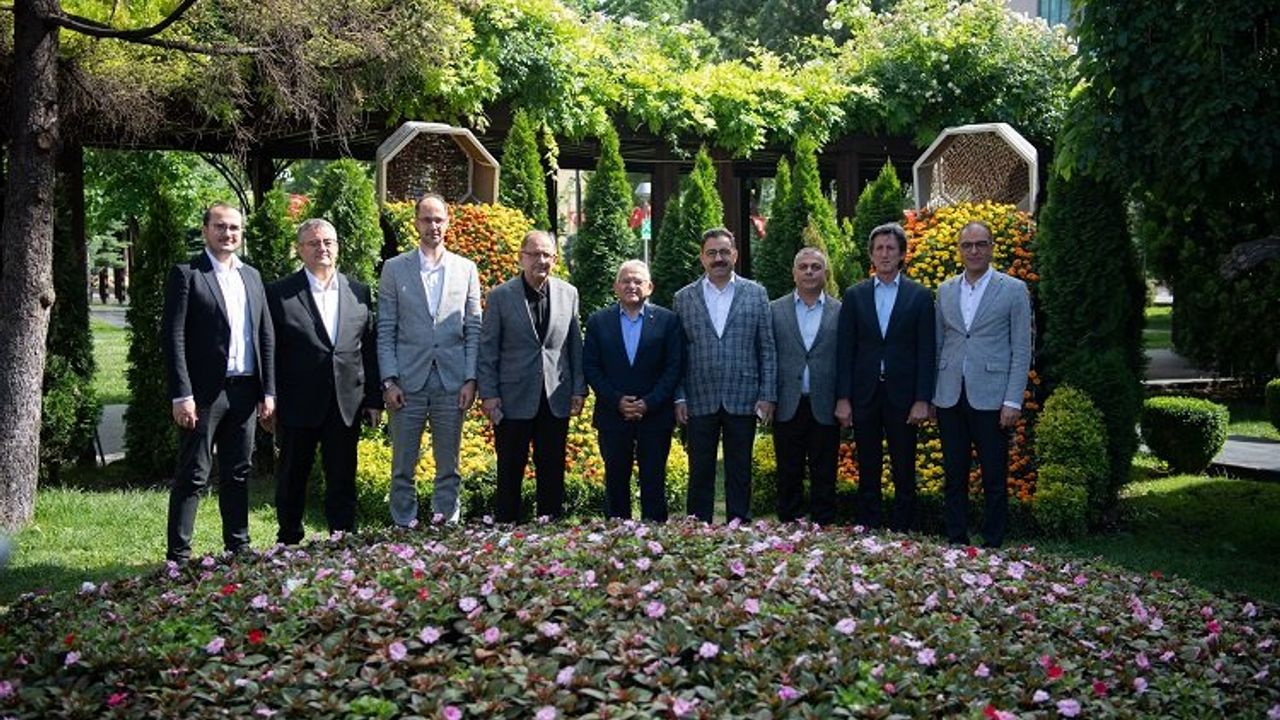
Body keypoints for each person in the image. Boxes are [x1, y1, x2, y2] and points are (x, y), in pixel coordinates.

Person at [163, 203, 275, 562]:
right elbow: (173, 337)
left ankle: (238, 548)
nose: (228, 234)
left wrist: (268, 391)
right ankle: (178, 556)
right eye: (220, 226)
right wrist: (182, 394)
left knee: (238, 472)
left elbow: (265, 335)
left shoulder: (252, 277)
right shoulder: (187, 274)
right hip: (203, 394)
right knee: (194, 475)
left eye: (234, 228)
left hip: (245, 390)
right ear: (205, 230)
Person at [266, 218, 381, 544]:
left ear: (337, 247)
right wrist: (269, 396)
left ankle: (342, 540)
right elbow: (269, 348)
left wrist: (374, 399)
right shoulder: (279, 293)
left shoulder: (358, 291)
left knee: (342, 477)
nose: (322, 249)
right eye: (314, 243)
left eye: (328, 242)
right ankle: (289, 540)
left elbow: (368, 347)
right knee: (292, 477)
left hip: (346, 403)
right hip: (297, 402)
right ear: (300, 249)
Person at [378, 193, 482, 526]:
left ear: (448, 223)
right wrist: (389, 381)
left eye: (439, 219)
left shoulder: (466, 269)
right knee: (403, 465)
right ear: (416, 223)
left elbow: (474, 329)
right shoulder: (394, 269)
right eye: (426, 219)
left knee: (448, 465)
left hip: (452, 381)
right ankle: (403, 526)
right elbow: (385, 329)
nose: (433, 225)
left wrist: (470, 379)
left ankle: (445, 526)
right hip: (406, 381)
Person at [933, 220, 1032, 548]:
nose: (973, 251)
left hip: (992, 396)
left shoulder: (1013, 290)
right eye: (967, 245)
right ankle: (956, 539)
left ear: (991, 248)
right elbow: (938, 344)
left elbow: (1021, 348)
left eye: (980, 244)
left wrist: (1013, 400)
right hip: (950, 395)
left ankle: (992, 541)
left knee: (994, 476)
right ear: (959, 250)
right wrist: (932, 395)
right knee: (954, 474)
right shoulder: (946, 290)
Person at [477, 230, 586, 522]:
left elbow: (574, 345)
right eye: (534, 254)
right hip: (512, 398)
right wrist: (488, 394)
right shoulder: (500, 296)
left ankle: (549, 529)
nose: (541, 260)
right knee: (510, 468)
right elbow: (487, 349)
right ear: (521, 258)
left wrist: (578, 389)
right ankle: (506, 528)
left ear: (555, 259)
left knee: (552, 467)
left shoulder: (569, 293)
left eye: (547, 255)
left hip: (555, 396)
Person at [835, 223, 936, 532]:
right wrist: (843, 397)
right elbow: (845, 350)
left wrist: (922, 399)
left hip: (903, 397)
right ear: (871, 255)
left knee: (904, 466)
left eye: (891, 248)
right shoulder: (855, 295)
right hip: (864, 394)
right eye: (879, 248)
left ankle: (903, 529)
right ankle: (868, 526)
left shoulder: (920, 296)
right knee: (868, 465)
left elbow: (927, 351)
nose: (885, 254)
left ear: (902, 254)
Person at [673, 227, 777, 523]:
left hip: (743, 395)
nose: (718, 258)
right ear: (702, 258)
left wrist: (768, 395)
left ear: (735, 255)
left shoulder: (756, 294)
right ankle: (697, 527)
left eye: (723, 252)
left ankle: (739, 526)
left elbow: (767, 348)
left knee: (740, 469)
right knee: (700, 469)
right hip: (699, 396)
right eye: (712, 253)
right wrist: (679, 396)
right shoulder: (684, 298)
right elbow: (676, 354)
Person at [583, 260, 684, 521]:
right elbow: (591, 367)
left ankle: (654, 532)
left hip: (655, 415)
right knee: (615, 481)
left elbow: (674, 367)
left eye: (638, 281)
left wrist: (649, 402)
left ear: (649, 287)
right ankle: (617, 533)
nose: (631, 285)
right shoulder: (598, 322)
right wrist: (617, 400)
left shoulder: (668, 321)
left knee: (654, 480)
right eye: (626, 280)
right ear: (616, 286)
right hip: (612, 414)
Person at [769, 247, 842, 524]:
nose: (809, 272)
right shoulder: (774, 310)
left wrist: (844, 399)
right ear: (794, 273)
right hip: (788, 402)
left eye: (815, 267)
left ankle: (825, 527)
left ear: (825, 273)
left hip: (825, 403)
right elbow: (767, 355)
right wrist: (768, 397)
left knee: (825, 472)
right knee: (788, 472)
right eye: (803, 267)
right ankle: (789, 528)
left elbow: (846, 358)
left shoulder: (840, 310)